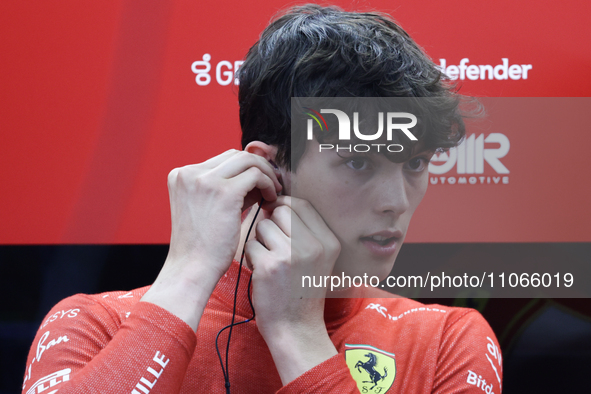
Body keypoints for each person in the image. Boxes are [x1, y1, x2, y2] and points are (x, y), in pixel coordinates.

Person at [22, 4, 502, 394]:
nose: (396, 200)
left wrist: (299, 335)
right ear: (270, 170)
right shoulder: (92, 324)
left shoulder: (448, 340)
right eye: (359, 163)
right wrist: (188, 277)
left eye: (415, 164)